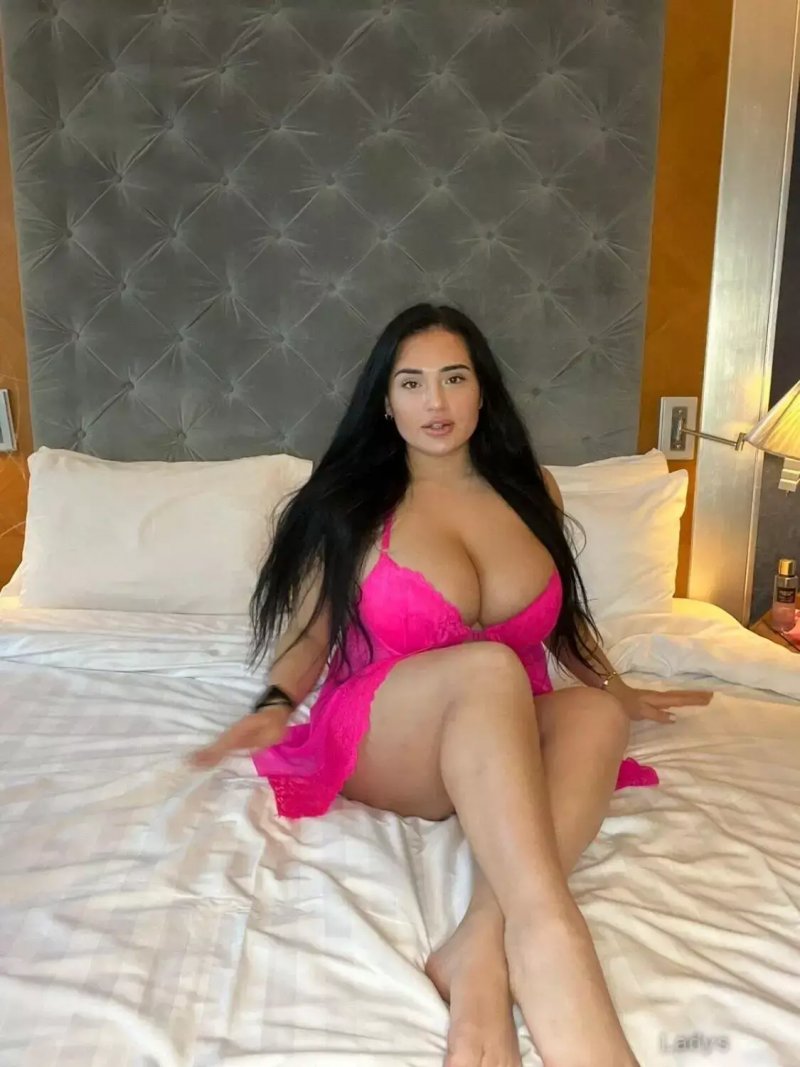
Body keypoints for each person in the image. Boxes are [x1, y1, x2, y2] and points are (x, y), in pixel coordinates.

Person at [191, 303, 712, 1067]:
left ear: (481, 390)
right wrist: (273, 706)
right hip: (388, 735)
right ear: (385, 399)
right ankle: (548, 936)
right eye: (412, 382)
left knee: (598, 717)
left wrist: (618, 687)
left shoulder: (531, 490)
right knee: (489, 668)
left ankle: (479, 943)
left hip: (497, 734)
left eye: (454, 378)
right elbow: (309, 637)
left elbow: (563, 621)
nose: (434, 401)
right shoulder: (352, 501)